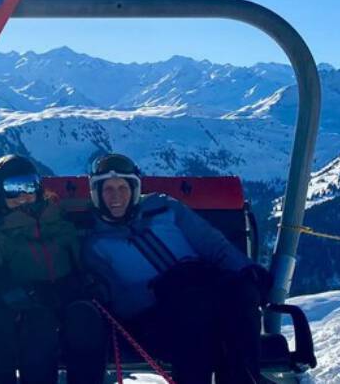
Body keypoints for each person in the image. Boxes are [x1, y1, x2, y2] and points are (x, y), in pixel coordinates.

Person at [78, 153, 271, 384]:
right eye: (108, 189)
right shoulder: (95, 243)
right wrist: (163, 289)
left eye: (123, 187)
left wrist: (245, 268)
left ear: (135, 190)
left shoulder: (164, 208)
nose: (116, 196)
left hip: (203, 291)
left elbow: (212, 244)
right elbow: (118, 300)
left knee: (241, 293)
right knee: (193, 311)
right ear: (97, 194)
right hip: (153, 319)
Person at [0, 155, 96, 384]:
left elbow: (81, 266)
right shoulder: (0, 235)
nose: (22, 196)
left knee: (85, 318)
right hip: (27, 310)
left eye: (28, 186)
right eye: (11, 190)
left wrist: (81, 285)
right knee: (40, 324)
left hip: (63, 301)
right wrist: (10, 290)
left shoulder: (59, 223)